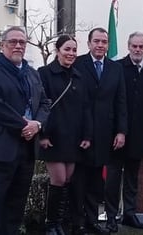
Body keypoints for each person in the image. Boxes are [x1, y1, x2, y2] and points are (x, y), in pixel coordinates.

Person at [0, 26, 50, 235]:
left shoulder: (32, 73)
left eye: (22, 42)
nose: (18, 45)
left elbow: (44, 103)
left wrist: (37, 124)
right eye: (13, 41)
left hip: (26, 149)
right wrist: (24, 125)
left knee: (15, 207)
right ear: (2, 44)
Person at [71, 27, 127, 235]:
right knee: (79, 180)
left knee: (96, 182)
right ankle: (77, 223)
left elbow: (121, 101)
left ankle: (92, 221)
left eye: (104, 42)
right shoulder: (77, 64)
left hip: (105, 133)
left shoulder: (115, 68)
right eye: (97, 41)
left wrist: (121, 131)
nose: (100, 45)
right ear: (89, 43)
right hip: (80, 133)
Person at [104, 32, 143, 233]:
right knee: (113, 177)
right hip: (117, 134)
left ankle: (129, 213)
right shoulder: (116, 68)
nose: (138, 50)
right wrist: (116, 130)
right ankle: (111, 216)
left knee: (132, 177)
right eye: (134, 46)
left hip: (139, 134)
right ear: (128, 46)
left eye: (141, 46)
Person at [37, 35, 92, 235]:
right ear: (57, 50)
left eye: (74, 50)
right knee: (58, 179)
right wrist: (42, 134)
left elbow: (86, 108)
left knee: (67, 179)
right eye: (67, 49)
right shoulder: (43, 73)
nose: (71, 53)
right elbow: (39, 105)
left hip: (73, 137)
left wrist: (87, 135)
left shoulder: (78, 76)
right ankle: (51, 224)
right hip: (52, 137)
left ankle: (60, 223)